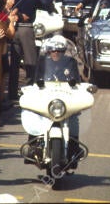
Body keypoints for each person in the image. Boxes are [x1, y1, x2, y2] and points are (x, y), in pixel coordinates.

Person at [26, 35, 84, 167]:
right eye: (52, 50)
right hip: (47, 95)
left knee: (74, 116)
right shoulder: (43, 62)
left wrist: (79, 87)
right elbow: (36, 79)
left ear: (63, 51)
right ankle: (32, 146)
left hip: (64, 97)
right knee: (34, 112)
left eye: (59, 50)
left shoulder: (70, 62)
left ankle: (75, 147)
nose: (55, 53)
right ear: (48, 51)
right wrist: (32, 87)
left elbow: (76, 80)